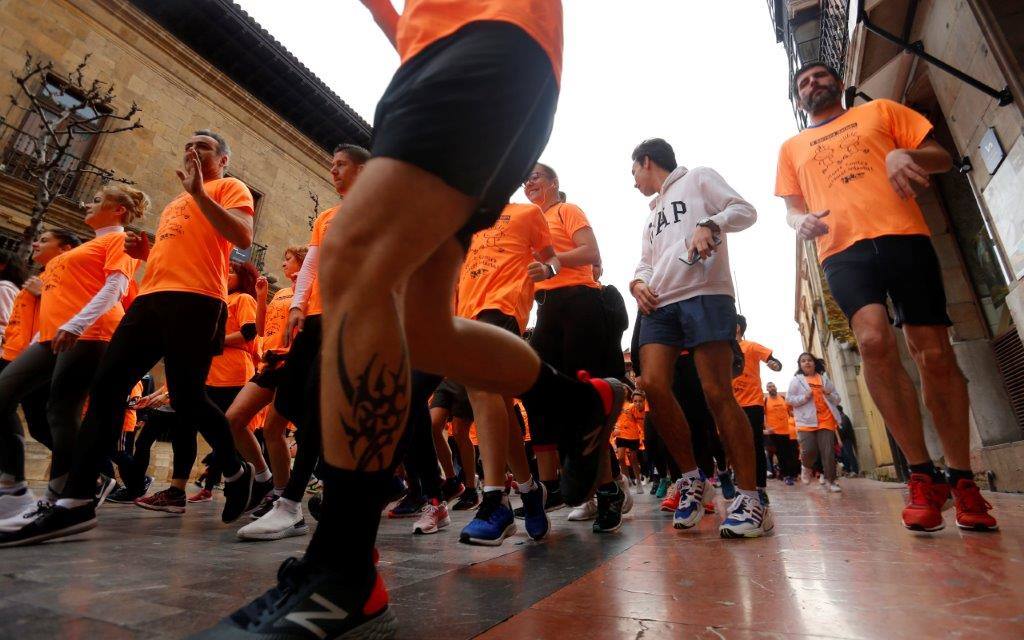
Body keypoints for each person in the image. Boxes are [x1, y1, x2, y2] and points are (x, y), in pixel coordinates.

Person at [199, 3, 627, 637]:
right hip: (425, 64)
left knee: (356, 252)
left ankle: (343, 571)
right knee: (422, 329)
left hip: (496, 37)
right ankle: (575, 405)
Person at [0, 131, 258, 547]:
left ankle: (235, 466)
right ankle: (76, 502)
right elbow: (176, 251)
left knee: (189, 397)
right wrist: (145, 254)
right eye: (187, 144)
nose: (191, 150)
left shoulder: (230, 187)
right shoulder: (175, 203)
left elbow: (243, 237)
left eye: (203, 147)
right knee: (106, 388)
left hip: (197, 301)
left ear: (223, 159)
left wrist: (200, 194)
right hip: (151, 299)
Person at [776, 62, 996, 532]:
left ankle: (962, 478)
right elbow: (792, 209)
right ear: (798, 100)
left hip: (904, 237)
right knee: (873, 341)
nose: (811, 84)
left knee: (933, 353)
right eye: (802, 83)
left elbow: (939, 153)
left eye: (818, 76)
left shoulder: (881, 111)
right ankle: (921, 474)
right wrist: (799, 224)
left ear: (837, 83)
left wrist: (903, 156)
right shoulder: (791, 148)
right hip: (841, 250)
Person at [628, 137, 768, 539]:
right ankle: (692, 478)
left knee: (716, 393)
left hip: (704, 293)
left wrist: (710, 224)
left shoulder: (699, 179)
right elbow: (644, 261)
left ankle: (750, 496)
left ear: (646, 161)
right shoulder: (651, 216)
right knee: (652, 383)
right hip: (659, 304)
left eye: (633, 171)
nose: (634, 180)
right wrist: (637, 282)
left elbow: (744, 210)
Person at [0, 184, 145, 527]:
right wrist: (40, 338)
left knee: (61, 412)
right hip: (53, 337)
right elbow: (56, 301)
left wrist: (77, 325)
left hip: (91, 334)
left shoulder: (118, 240)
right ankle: (13, 489)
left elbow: (116, 288)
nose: (86, 203)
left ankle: (59, 496)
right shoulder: (86, 245)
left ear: (118, 210)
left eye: (96, 200)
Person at [245, 144, 369, 541]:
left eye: (341, 165)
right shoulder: (327, 217)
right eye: (331, 165)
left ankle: (290, 504)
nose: (333, 171)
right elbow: (312, 263)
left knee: (317, 402)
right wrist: (297, 305)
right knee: (285, 407)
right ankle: (313, 482)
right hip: (314, 320)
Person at [523, 163, 627, 531]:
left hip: (578, 303)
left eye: (536, 175)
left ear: (554, 183)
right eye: (525, 178)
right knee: (538, 394)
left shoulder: (567, 211)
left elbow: (590, 251)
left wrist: (553, 263)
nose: (529, 182)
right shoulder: (526, 223)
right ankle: (555, 485)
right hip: (546, 311)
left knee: (583, 401)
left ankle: (608, 489)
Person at [456, 202, 559, 544]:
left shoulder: (527, 213)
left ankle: (495, 499)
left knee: (481, 386)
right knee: (499, 403)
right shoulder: (470, 221)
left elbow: (551, 256)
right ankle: (530, 491)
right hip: (466, 311)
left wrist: (549, 269)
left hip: (504, 304)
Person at [226, 247, 308, 537]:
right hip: (269, 362)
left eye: (288, 259)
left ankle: (283, 496)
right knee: (233, 418)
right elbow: (261, 329)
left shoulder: (306, 289)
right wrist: (262, 297)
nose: (283, 263)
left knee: (274, 429)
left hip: (292, 363)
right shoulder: (283, 292)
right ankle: (263, 475)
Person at [0, 233, 76, 525]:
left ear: (65, 248)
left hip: (48, 352)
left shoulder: (66, 272)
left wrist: (43, 293)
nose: (35, 244)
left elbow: (74, 309)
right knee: (38, 422)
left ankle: (20, 486)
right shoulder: (42, 276)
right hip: (26, 352)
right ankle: (14, 484)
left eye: (44, 240)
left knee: (53, 419)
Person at [731, 315, 782, 503]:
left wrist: (774, 365)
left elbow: (774, 361)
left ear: (737, 327)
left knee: (754, 446)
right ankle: (742, 487)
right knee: (736, 447)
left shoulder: (751, 346)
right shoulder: (722, 350)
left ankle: (760, 488)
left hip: (752, 403)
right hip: (730, 405)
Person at [786, 354, 843, 493]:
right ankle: (806, 467)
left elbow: (837, 400)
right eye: (803, 361)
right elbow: (789, 400)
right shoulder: (796, 381)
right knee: (809, 450)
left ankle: (831, 481)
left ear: (814, 363)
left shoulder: (824, 379)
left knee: (828, 452)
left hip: (826, 419)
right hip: (806, 420)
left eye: (809, 360)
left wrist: (828, 394)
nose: (807, 363)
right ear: (800, 365)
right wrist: (804, 398)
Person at [764, 382, 798, 485]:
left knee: (790, 454)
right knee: (780, 454)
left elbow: (792, 411)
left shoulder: (783, 399)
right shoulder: (765, 401)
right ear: (767, 389)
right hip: (774, 432)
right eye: (769, 387)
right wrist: (766, 428)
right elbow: (763, 415)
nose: (771, 388)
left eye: (773, 386)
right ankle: (786, 475)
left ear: (776, 387)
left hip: (786, 431)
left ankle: (792, 474)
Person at [837, 404, 860, 476]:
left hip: (846, 439)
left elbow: (843, 429)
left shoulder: (843, 418)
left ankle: (855, 471)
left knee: (850, 455)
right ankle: (849, 470)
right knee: (845, 456)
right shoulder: (841, 418)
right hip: (844, 440)